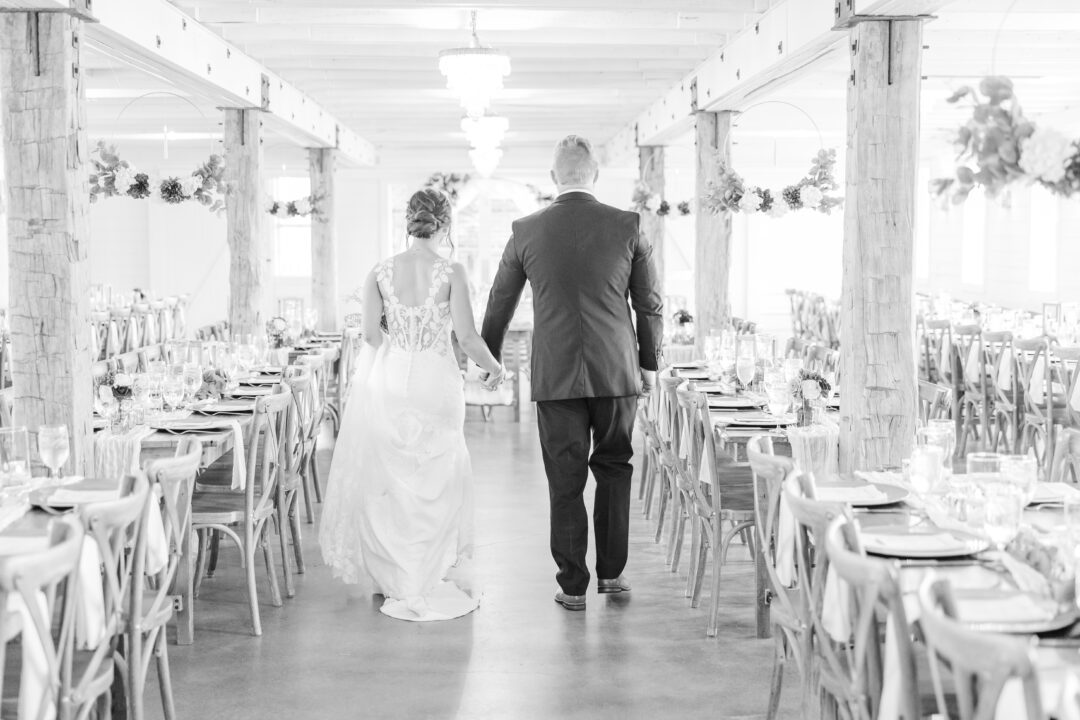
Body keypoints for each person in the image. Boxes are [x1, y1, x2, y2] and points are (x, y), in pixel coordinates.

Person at [481, 135, 664, 611]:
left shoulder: (526, 230)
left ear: (553, 178)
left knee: (564, 478)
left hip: (556, 375)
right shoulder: (628, 225)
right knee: (614, 468)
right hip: (616, 371)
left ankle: (572, 585)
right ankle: (612, 575)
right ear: (595, 175)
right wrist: (649, 365)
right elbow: (649, 304)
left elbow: (500, 301)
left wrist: (490, 360)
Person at [319, 188, 505, 622]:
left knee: (391, 477)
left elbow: (368, 336)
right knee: (436, 472)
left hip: (391, 378)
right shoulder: (452, 271)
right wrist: (493, 368)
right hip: (437, 382)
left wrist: (397, 348)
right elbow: (467, 338)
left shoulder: (379, 272)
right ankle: (423, 576)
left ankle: (397, 578)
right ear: (444, 225)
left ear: (410, 223)